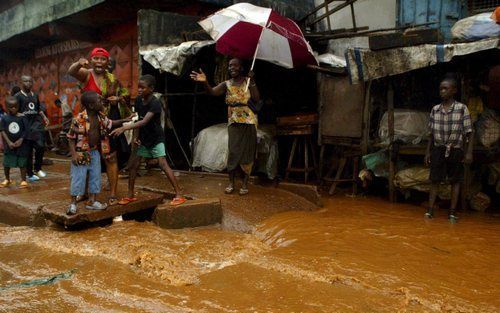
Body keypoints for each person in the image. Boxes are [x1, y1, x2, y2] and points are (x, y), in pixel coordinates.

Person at [68, 47, 131, 205]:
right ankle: (83, 192)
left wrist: (117, 99)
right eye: (96, 58)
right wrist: (78, 63)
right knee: (85, 156)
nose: (99, 62)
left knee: (110, 157)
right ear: (92, 59)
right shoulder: (86, 74)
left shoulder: (112, 78)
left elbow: (124, 94)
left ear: (107, 62)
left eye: (103, 59)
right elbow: (71, 71)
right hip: (87, 124)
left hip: (106, 122)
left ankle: (112, 193)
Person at [110, 75, 185, 206]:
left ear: (151, 89)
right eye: (138, 87)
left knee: (162, 164)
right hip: (144, 138)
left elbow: (144, 122)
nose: (139, 90)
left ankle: (179, 194)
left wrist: (124, 128)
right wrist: (136, 138)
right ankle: (130, 195)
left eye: (142, 87)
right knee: (134, 166)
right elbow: (139, 119)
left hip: (156, 138)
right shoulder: (139, 100)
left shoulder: (155, 103)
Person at [190, 58, 261, 195]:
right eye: (229, 66)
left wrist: (252, 81)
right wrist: (205, 82)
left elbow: (257, 99)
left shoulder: (248, 81)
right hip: (234, 121)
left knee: (247, 153)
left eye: (235, 65)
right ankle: (231, 183)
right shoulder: (226, 84)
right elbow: (212, 92)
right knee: (233, 152)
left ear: (241, 68)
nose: (231, 68)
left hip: (249, 121)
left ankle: (245, 183)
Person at [66, 91, 130, 215]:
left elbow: (111, 123)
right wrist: (73, 154)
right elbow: (70, 138)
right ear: (91, 105)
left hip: (95, 152)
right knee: (78, 178)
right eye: (99, 101)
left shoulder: (101, 117)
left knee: (95, 177)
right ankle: (73, 203)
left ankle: (92, 201)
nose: (102, 102)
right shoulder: (78, 119)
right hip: (81, 153)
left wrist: (125, 120)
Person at [425, 77, 473, 223]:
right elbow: (431, 135)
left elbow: (470, 132)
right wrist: (428, 152)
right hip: (438, 149)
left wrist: (469, 152)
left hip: (455, 148)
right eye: (441, 89)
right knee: (435, 180)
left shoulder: (462, 108)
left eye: (445, 88)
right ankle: (430, 210)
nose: (442, 91)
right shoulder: (435, 109)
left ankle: (452, 212)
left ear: (454, 91)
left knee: (455, 181)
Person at [14, 75, 49, 181]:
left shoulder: (35, 95)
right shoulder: (17, 96)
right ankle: (30, 174)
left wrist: (44, 117)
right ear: (21, 82)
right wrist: (17, 114)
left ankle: (38, 168)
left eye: (30, 81)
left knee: (40, 146)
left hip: (36, 125)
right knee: (28, 151)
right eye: (26, 81)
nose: (28, 83)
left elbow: (38, 109)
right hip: (25, 127)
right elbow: (12, 110)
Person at [0, 97, 30, 188]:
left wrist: (21, 140)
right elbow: (2, 130)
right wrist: (8, 142)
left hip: (21, 145)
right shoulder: (4, 118)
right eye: (11, 107)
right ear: (6, 107)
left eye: (15, 107)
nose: (14, 109)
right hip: (9, 145)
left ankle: (23, 180)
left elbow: (26, 130)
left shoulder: (22, 117)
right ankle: (7, 179)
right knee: (7, 162)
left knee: (22, 163)